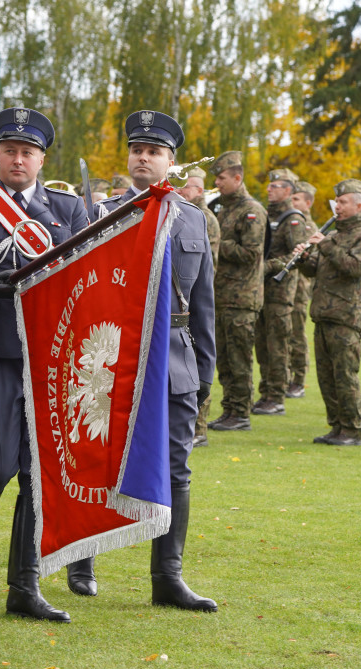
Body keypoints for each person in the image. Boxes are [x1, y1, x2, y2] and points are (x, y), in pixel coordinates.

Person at [0, 107, 86, 622]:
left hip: (48, 355)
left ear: (41, 159)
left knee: (38, 473)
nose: (18, 159)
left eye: (27, 152)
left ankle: (24, 586)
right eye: (9, 150)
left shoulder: (67, 209)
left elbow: (80, 277)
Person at [87, 110, 217, 611]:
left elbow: (203, 300)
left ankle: (168, 576)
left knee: (177, 469)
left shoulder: (193, 219)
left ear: (171, 162)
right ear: (128, 158)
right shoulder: (103, 215)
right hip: (111, 357)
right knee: (98, 461)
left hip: (174, 361)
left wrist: (204, 371)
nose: (145, 157)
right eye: (138, 149)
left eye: (155, 151)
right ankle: (84, 558)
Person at [293, 179, 361, 445]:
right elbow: (315, 270)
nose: (337, 207)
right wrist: (304, 258)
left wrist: (325, 246)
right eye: (337, 202)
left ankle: (352, 429)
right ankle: (337, 425)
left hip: (346, 316)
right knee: (326, 376)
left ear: (359, 205)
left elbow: (354, 267)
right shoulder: (333, 235)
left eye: (342, 203)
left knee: (345, 375)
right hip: (323, 313)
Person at [208, 151, 266, 431]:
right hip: (221, 295)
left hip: (242, 298)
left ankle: (241, 412)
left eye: (221, 178)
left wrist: (217, 242)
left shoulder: (250, 210)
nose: (217, 183)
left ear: (237, 178)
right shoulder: (221, 206)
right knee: (225, 358)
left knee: (239, 357)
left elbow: (252, 253)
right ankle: (229, 408)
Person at [255, 169, 311, 416]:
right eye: (269, 185)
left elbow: (297, 255)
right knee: (262, 344)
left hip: (280, 292)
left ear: (288, 190)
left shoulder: (294, 219)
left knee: (277, 345)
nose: (269, 189)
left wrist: (268, 266)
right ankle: (266, 391)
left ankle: (276, 396)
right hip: (262, 290)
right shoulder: (267, 215)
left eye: (275, 186)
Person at [178, 166, 220, 448]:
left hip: (190, 305)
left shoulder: (201, 219)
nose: (182, 190)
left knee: (193, 371)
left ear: (200, 190)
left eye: (188, 186)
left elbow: (205, 269)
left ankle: (198, 428)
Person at [287, 181, 318, 398]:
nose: (292, 202)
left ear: (308, 203)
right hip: (287, 287)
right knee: (285, 334)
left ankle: (298, 379)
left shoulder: (311, 229)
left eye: (296, 199)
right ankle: (287, 375)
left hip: (299, 288)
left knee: (297, 334)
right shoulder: (290, 222)